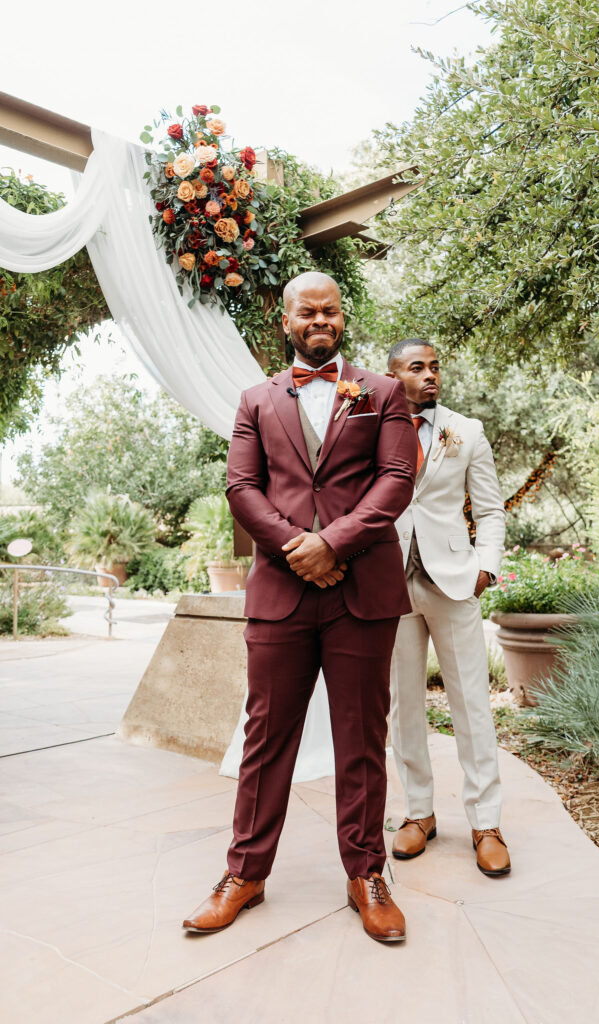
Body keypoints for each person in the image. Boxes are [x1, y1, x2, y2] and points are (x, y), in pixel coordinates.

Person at [183, 272, 417, 942]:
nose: (320, 320)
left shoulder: (383, 392)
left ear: (343, 318)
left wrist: (334, 542)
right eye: (306, 311)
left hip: (361, 592)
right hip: (281, 592)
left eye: (331, 310)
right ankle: (245, 875)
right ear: (285, 322)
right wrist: (297, 547)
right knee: (266, 739)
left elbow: (396, 477)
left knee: (362, 741)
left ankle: (365, 874)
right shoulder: (256, 398)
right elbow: (240, 485)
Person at [386, 338, 511, 876]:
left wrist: (486, 564)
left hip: (455, 582)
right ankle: (419, 814)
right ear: (393, 375)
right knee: (402, 706)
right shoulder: (371, 424)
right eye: (418, 367)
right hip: (387, 583)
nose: (431, 375)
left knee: (472, 706)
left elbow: (490, 508)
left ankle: (486, 822)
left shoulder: (469, 430)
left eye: (435, 366)